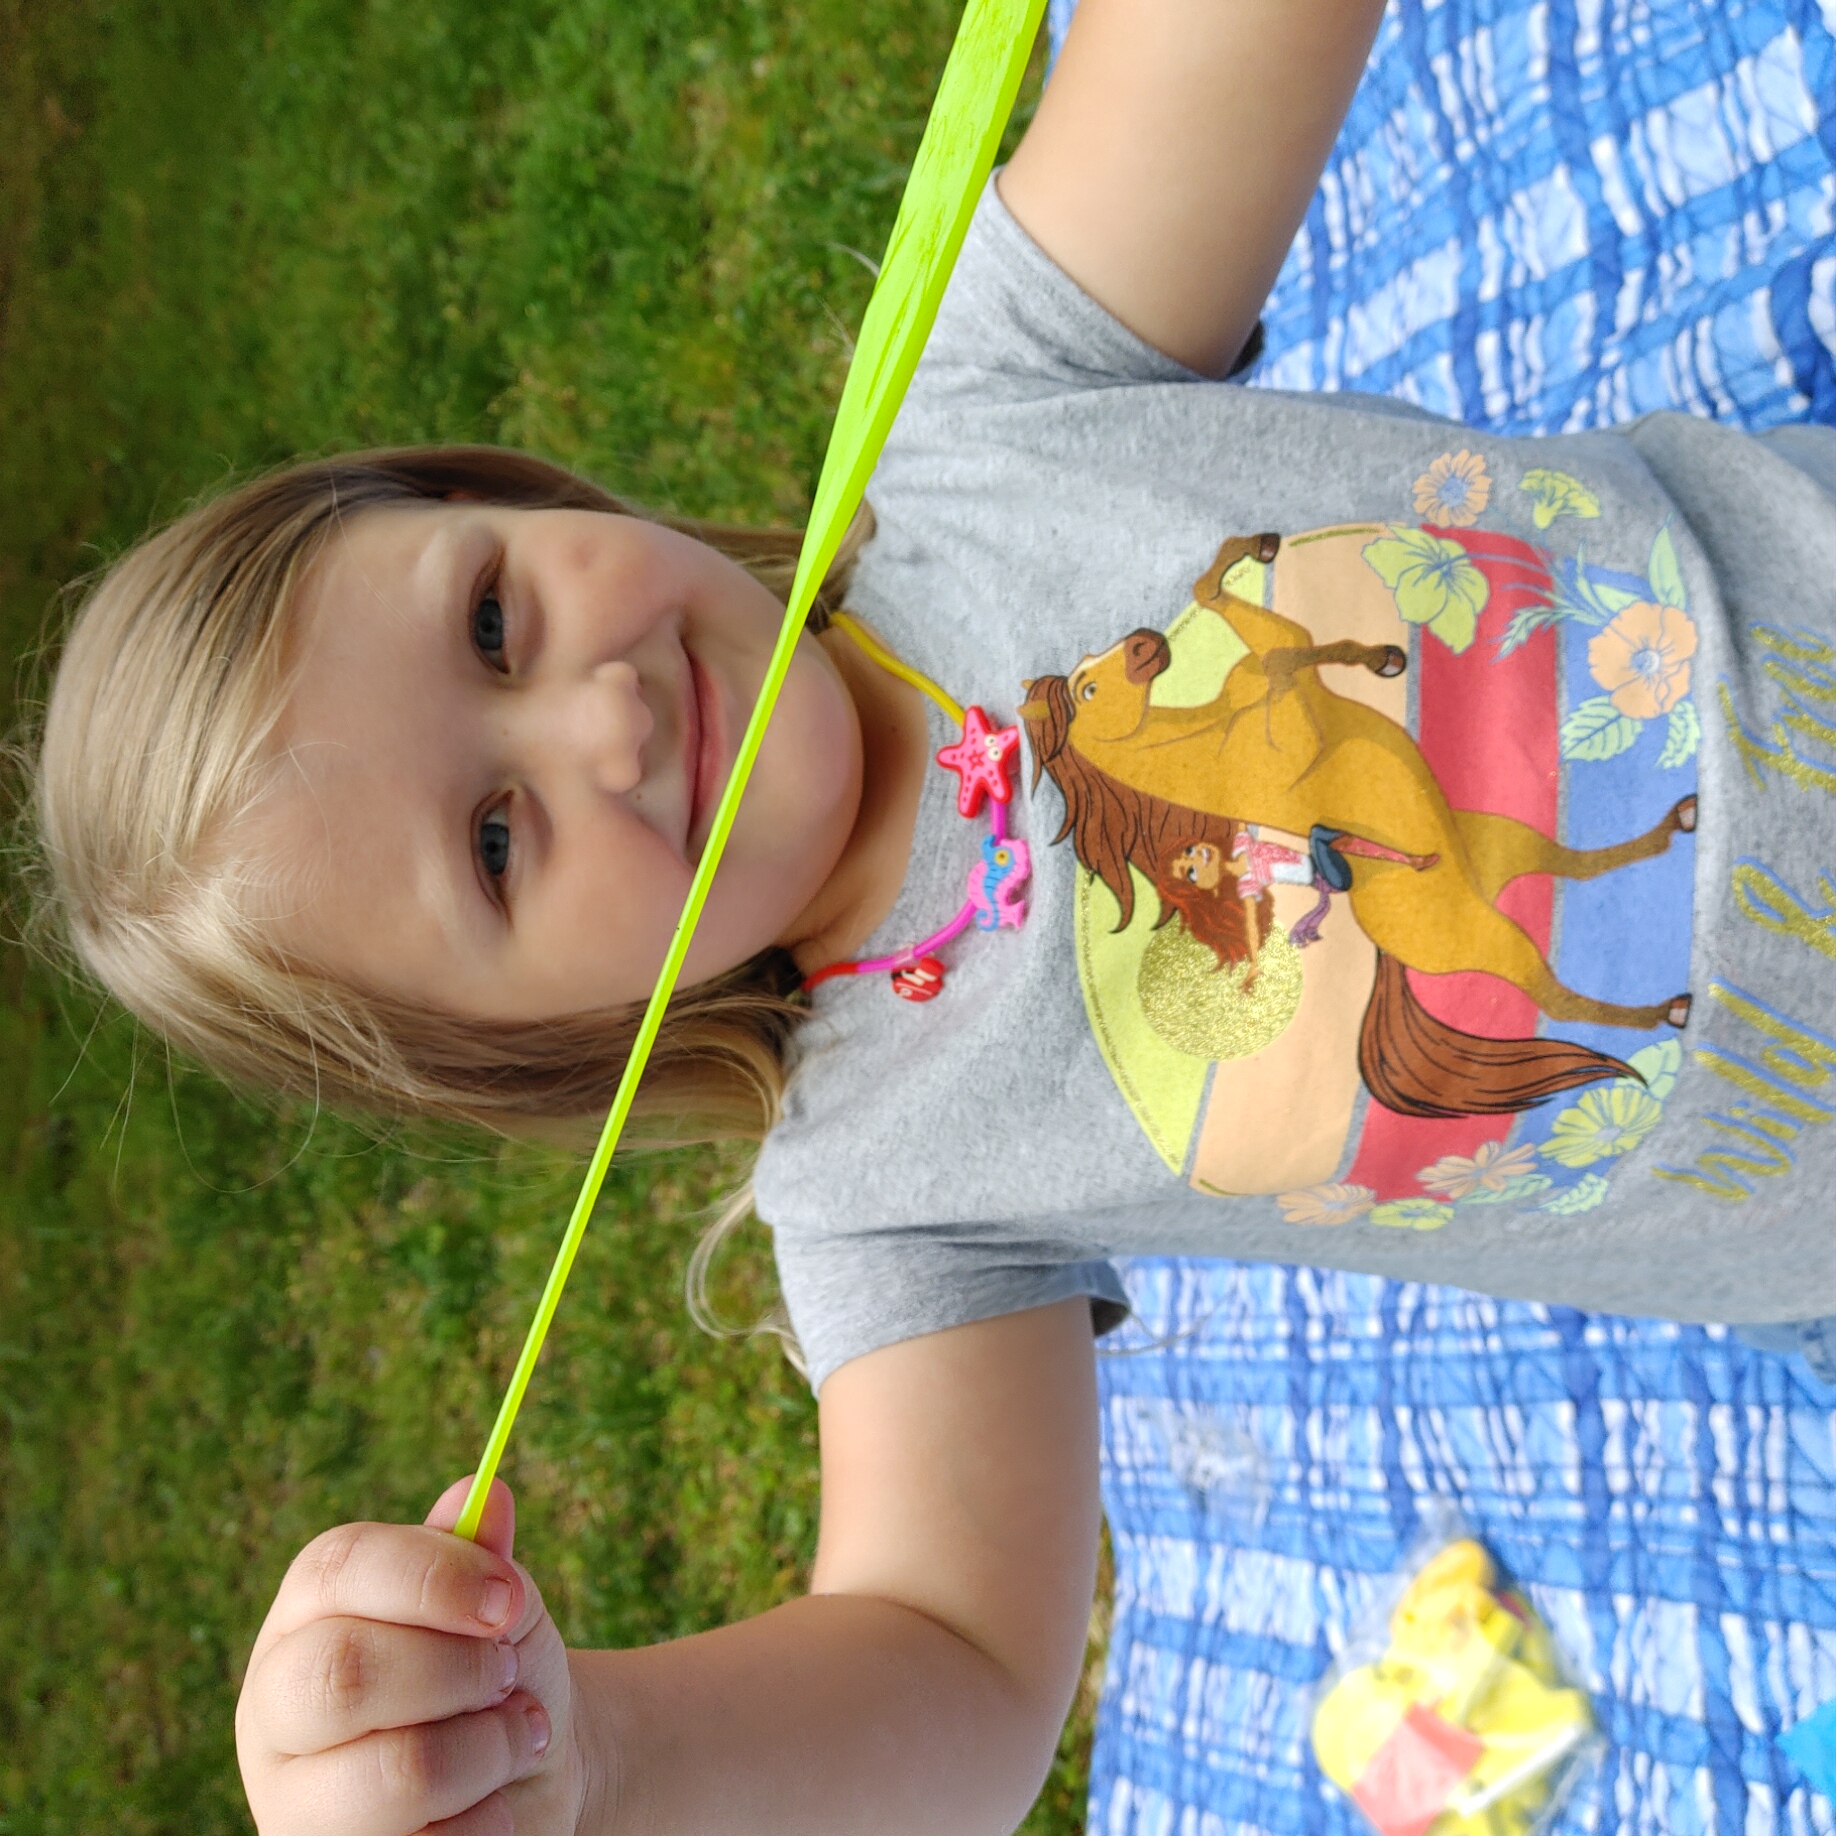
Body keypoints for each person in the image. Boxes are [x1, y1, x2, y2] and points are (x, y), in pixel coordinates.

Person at [26, 0, 1836, 1828]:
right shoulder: (886, 1182)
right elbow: (955, 1665)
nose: (608, 719)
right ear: (537, 1038)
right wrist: (597, 1766)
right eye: (498, 844)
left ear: (503, 497)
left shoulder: (982, 403)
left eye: (493, 620)